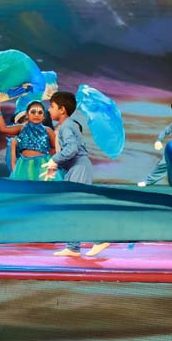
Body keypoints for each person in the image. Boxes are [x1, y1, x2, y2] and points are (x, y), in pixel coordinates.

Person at [45, 91, 110, 258]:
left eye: (52, 106)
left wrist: (54, 159)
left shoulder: (67, 126)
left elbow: (72, 149)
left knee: (78, 206)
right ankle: (73, 247)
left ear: (62, 110)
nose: (49, 110)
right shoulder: (67, 125)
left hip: (79, 168)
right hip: (76, 168)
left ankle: (100, 239)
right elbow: (69, 152)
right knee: (71, 206)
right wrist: (55, 165)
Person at [0, 99, 57, 180]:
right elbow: (3, 129)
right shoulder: (21, 128)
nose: (36, 115)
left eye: (40, 113)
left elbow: (55, 148)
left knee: (43, 186)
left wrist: (46, 157)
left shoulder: (48, 130)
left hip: (43, 164)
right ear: (27, 115)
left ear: (43, 116)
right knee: (25, 186)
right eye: (33, 112)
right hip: (24, 165)